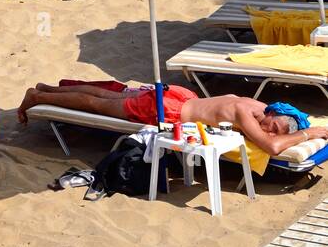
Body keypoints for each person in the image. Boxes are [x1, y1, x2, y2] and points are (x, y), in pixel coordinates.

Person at [17, 80, 327, 157]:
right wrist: (310, 133)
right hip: (172, 110)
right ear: (272, 114)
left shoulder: (257, 104)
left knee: (108, 95)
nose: (267, 130)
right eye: (271, 126)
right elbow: (272, 148)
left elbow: (276, 134)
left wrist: (299, 128)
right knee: (96, 104)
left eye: (271, 130)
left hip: (182, 96)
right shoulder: (245, 114)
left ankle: (45, 89)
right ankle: (39, 97)